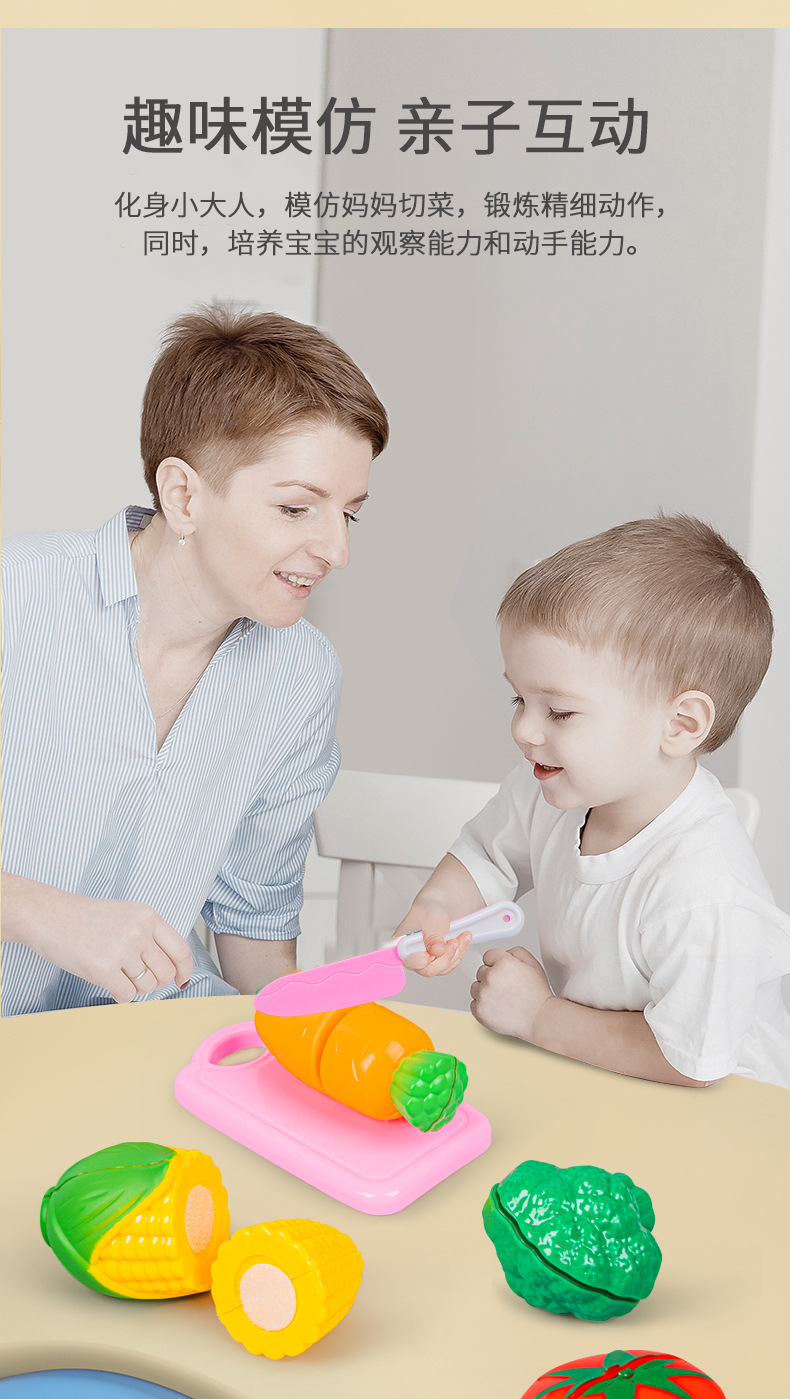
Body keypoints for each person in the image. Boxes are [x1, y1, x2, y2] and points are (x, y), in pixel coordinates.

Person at [2, 303, 388, 1015]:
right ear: (183, 494)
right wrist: (32, 909)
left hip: (146, 1045)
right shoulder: (15, 599)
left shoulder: (302, 676)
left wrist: (338, 1037)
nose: (337, 550)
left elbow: (254, 936)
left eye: (350, 512)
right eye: (298, 509)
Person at [394, 515, 790, 1089]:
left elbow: (687, 1061)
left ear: (680, 724)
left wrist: (537, 1015)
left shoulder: (705, 894)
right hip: (604, 1079)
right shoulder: (549, 788)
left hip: (730, 1118)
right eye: (518, 698)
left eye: (559, 712)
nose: (524, 730)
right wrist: (437, 907)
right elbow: (486, 855)